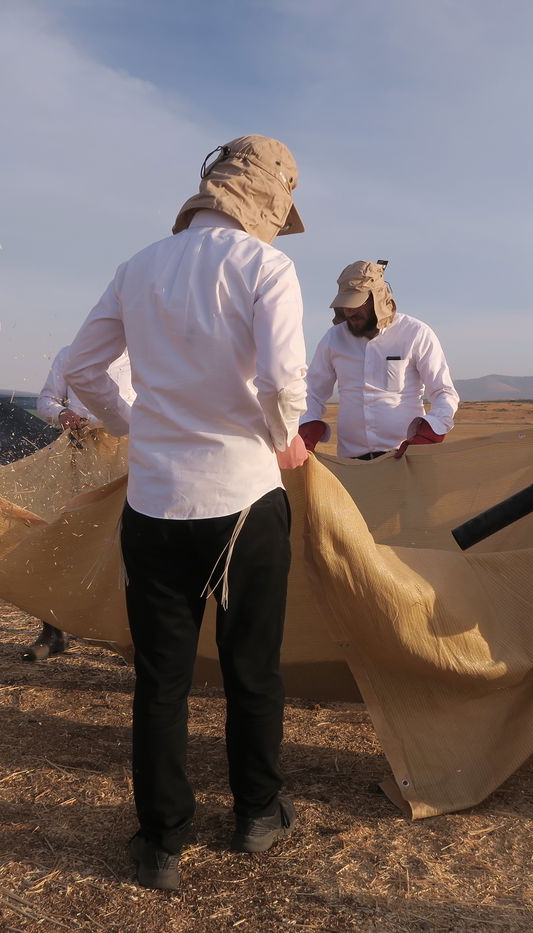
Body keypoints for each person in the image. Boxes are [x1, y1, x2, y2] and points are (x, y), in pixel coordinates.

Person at [65, 135, 310, 891]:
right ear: (269, 201)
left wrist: (138, 424)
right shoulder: (269, 267)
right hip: (241, 501)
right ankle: (257, 815)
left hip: (155, 503)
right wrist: (284, 439)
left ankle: (163, 840)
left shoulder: (137, 268)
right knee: (252, 671)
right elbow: (281, 382)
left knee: (161, 681)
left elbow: (80, 370)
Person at [27, 345, 138, 660]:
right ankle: (53, 631)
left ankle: (130, 636)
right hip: (81, 455)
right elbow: (46, 400)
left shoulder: (150, 349)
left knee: (128, 543)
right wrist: (62, 413)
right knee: (65, 539)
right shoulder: (72, 353)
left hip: (132, 457)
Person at [298, 260, 458, 459]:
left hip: (404, 457)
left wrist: (430, 431)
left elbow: (444, 392)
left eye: (357, 302)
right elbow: (312, 393)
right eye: (346, 304)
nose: (349, 311)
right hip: (351, 461)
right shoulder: (333, 339)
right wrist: (306, 426)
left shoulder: (416, 333)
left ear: (378, 298)